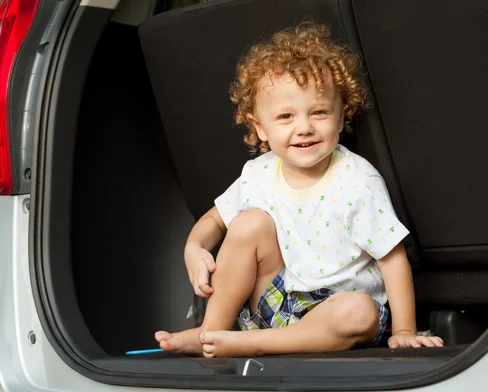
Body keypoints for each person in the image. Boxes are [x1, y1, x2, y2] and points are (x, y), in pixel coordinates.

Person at [155, 22, 443, 357]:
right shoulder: (258, 174)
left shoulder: (357, 180)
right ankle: (211, 332)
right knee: (248, 223)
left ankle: (249, 344)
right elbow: (215, 222)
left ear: (341, 115)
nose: (304, 127)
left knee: (359, 311)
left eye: (319, 112)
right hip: (277, 304)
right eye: (286, 117)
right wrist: (194, 248)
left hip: (337, 313)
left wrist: (405, 330)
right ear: (259, 127)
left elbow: (393, 260)